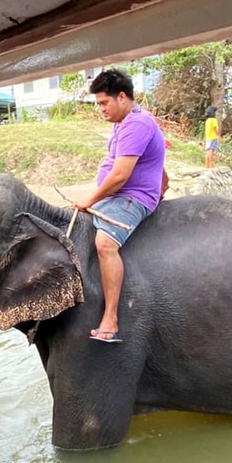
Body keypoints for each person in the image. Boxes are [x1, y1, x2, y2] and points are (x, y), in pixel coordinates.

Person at [73, 69, 167, 343]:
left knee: (104, 243)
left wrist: (90, 199)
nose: (101, 109)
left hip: (132, 197)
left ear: (122, 97)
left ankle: (111, 318)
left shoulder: (136, 125)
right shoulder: (125, 122)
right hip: (119, 195)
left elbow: (119, 176)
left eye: (104, 103)